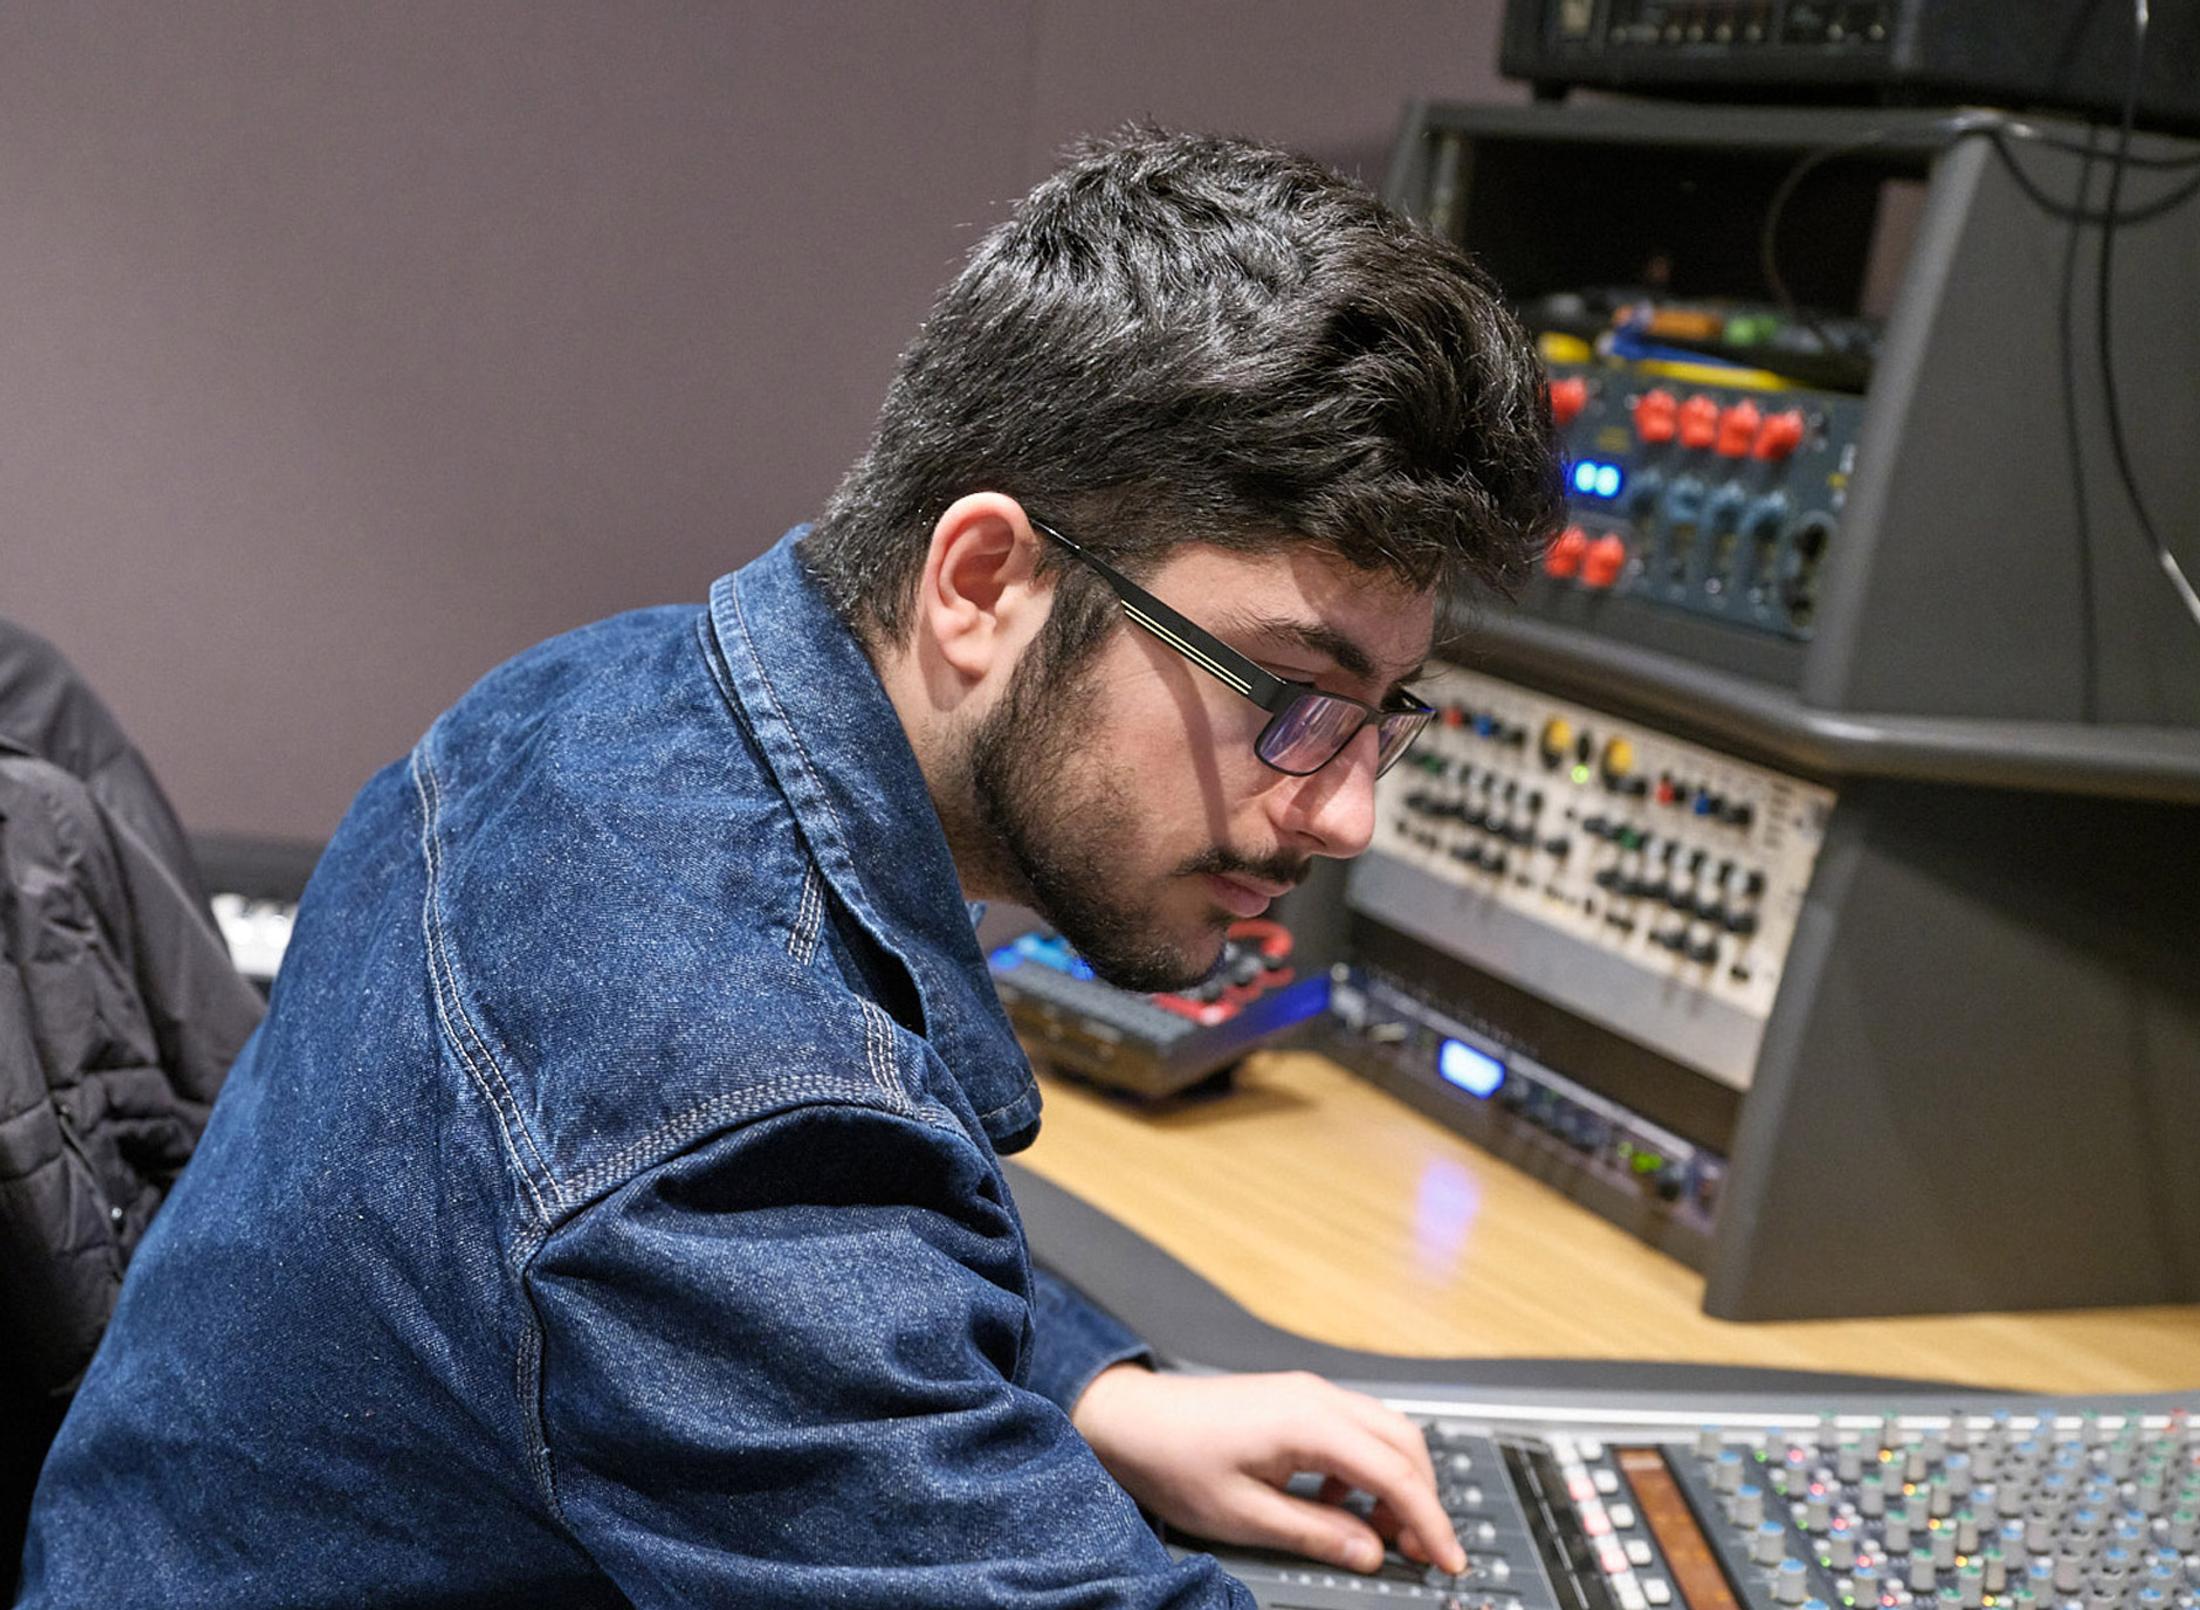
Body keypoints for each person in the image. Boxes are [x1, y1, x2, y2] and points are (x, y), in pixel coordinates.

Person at [18, 127, 1560, 1606]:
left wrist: (1084, 1377)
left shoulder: (611, 699)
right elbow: (746, 1204)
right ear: (982, 582)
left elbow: (807, 1294)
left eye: (1382, 718)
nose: (1346, 810)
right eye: (1290, 694)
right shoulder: (725, 1088)